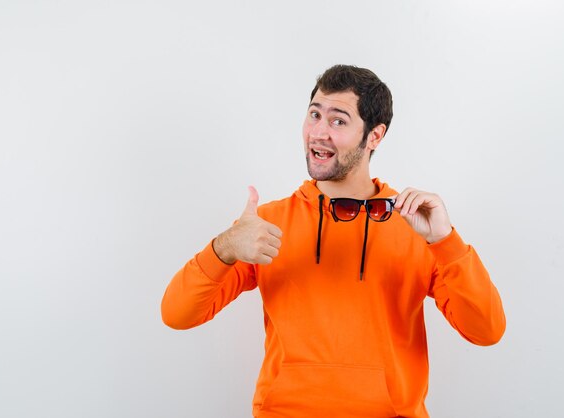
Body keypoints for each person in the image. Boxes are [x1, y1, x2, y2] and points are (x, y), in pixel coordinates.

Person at [161, 64, 506, 418]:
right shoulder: (266, 224)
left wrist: (446, 242)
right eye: (314, 115)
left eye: (338, 121)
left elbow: (486, 331)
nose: (318, 133)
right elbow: (177, 314)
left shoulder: (417, 226)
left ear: (374, 136)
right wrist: (224, 248)